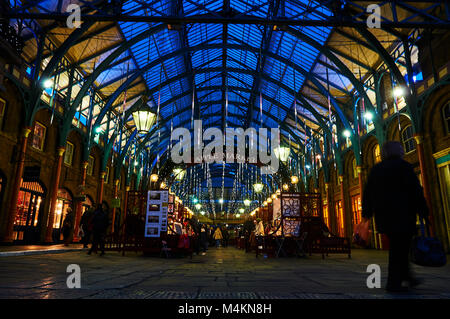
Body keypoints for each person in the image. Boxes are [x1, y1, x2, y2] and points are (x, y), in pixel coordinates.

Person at [362, 141, 429, 292]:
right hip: (404, 215)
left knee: (398, 247)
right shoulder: (404, 167)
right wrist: (423, 210)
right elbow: (416, 190)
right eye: (401, 150)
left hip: (385, 217)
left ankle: (406, 277)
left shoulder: (376, 169)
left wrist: (366, 213)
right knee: (399, 248)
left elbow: (367, 193)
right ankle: (394, 283)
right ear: (398, 152)